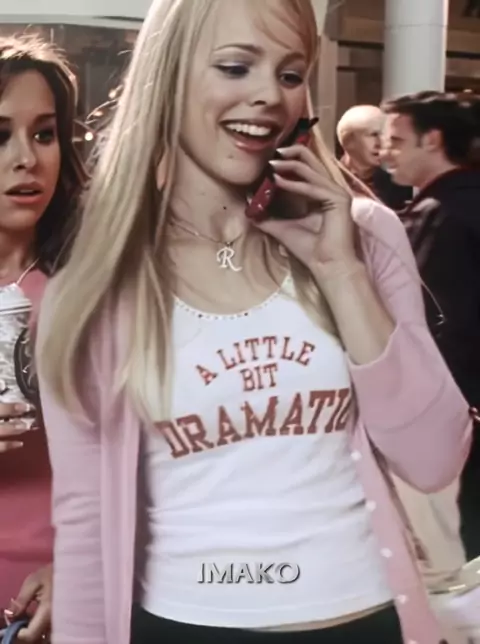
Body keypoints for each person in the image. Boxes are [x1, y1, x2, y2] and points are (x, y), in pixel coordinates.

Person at [36, 1, 471, 643]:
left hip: (369, 622)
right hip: (185, 628)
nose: (269, 95)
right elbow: (84, 523)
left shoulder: (364, 236)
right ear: (168, 76)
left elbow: (434, 460)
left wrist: (342, 274)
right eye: (236, 66)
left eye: (290, 74)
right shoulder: (96, 288)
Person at [0, 35, 86, 642]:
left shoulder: (93, 289)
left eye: (45, 134)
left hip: (61, 596)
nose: (26, 159)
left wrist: (80, 569)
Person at [382, 90, 480, 561]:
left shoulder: (439, 216)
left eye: (397, 140)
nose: (386, 152)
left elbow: (436, 326)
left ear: (433, 140)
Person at [337, 104, 412, 212]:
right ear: (348, 141)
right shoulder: (325, 179)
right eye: (373, 135)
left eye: (385, 135)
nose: (381, 143)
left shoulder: (400, 186)